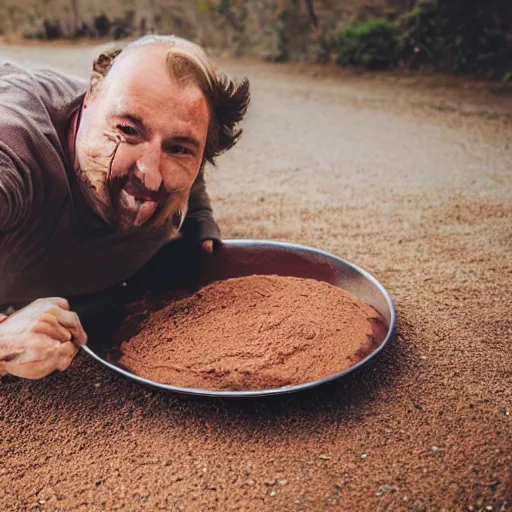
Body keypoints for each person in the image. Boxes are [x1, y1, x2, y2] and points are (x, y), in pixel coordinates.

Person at [0, 35, 250, 380]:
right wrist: (3, 344)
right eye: (128, 131)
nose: (150, 175)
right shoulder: (14, 152)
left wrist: (199, 219)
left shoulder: (175, 130)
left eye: (179, 149)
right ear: (86, 106)